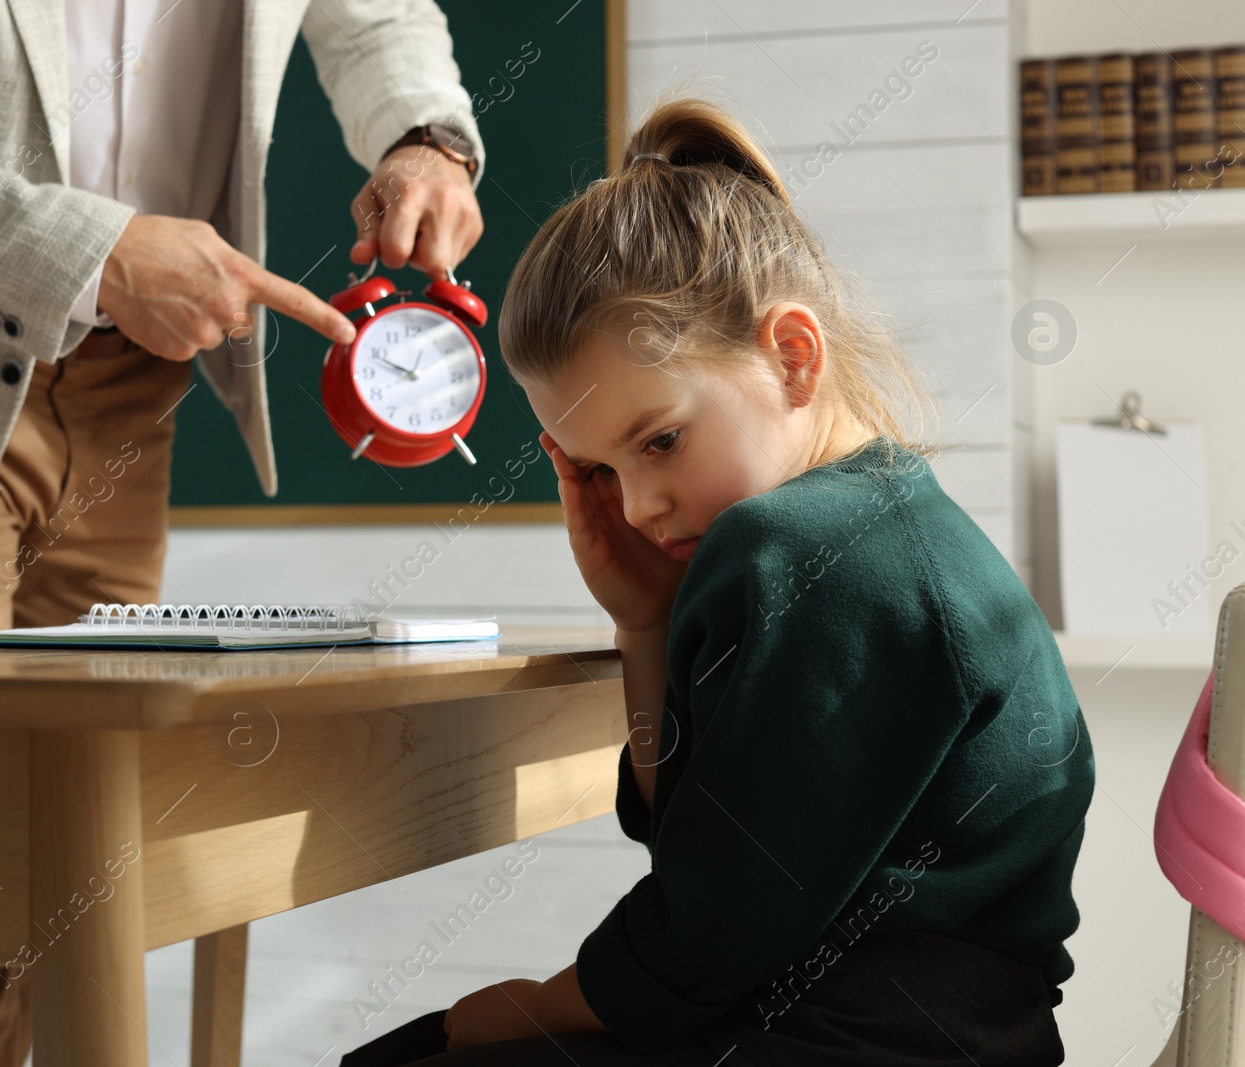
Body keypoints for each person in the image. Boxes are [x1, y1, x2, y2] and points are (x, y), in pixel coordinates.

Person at [0, 1, 485, 1064]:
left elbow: (377, 14)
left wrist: (424, 137)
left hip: (136, 389)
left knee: (93, 858)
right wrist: (89, 249)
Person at [340, 96, 1094, 1067]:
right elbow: (698, 843)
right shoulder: (883, 515)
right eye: (601, 469)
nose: (642, 502)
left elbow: (715, 917)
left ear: (790, 354)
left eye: (659, 440)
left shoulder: (805, 549)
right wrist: (644, 622)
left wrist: (544, 1001)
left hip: (863, 1034)